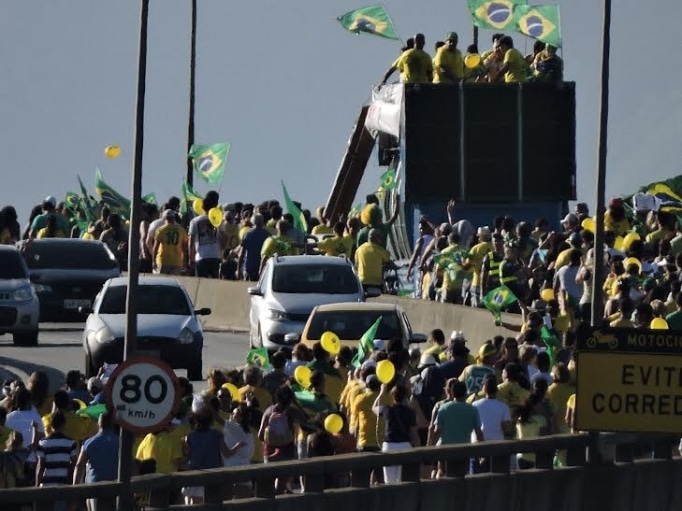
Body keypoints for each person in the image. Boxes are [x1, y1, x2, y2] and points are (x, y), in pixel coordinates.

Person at [372, 385, 419, 484]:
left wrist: (381, 392)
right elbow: (413, 433)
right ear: (405, 397)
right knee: (404, 478)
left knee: (389, 480)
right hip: (405, 445)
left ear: (392, 396)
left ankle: (390, 498)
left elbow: (374, 408)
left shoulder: (386, 409)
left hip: (389, 445)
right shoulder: (410, 412)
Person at [188, 191, 223, 278]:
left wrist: (190, 258)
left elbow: (190, 241)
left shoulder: (195, 221)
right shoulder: (219, 221)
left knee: (201, 284)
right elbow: (224, 240)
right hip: (215, 256)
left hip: (201, 257)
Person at [354, 228, 392, 293]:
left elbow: (356, 265)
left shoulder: (359, 249)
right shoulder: (380, 250)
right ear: (375, 238)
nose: (381, 240)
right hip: (377, 282)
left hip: (362, 281)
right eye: (379, 237)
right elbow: (388, 261)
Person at [153, 209, 189, 274]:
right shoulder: (181, 230)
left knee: (162, 282)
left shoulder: (161, 230)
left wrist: (153, 261)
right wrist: (185, 262)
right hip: (177, 261)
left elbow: (155, 247)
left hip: (163, 260)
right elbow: (184, 249)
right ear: (174, 218)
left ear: (164, 218)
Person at [237, 213, 270, 281]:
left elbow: (242, 253)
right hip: (262, 267)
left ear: (253, 221)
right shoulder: (267, 235)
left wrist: (238, 269)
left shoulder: (247, 234)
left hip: (249, 266)